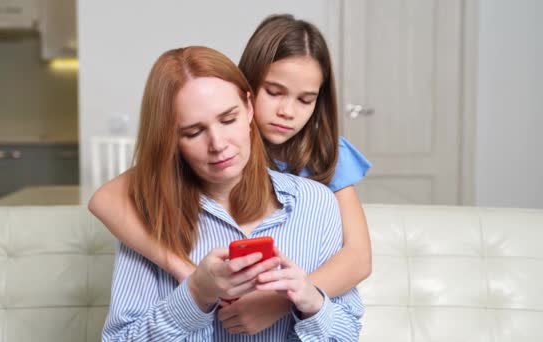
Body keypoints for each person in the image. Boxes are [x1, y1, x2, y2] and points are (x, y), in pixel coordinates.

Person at [90, 14, 371, 334]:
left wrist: (284, 301)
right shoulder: (178, 176)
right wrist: (190, 278)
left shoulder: (319, 173)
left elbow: (358, 259)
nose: (287, 112)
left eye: (305, 99)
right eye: (275, 92)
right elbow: (107, 198)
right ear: (247, 88)